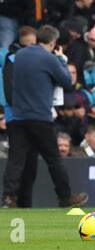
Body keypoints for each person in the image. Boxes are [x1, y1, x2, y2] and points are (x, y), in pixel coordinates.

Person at [2, 25, 88, 208]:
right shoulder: (49, 58)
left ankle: (8, 198)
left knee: (16, 160)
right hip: (40, 117)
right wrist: (62, 61)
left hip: (18, 117)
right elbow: (66, 81)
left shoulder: (20, 55)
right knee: (53, 159)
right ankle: (65, 196)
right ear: (53, 42)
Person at [3, 26, 39, 208]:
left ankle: (26, 202)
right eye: (29, 45)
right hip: (16, 118)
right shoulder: (12, 60)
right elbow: (10, 93)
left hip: (34, 117)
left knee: (31, 162)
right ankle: (9, 197)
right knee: (17, 159)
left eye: (34, 44)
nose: (32, 48)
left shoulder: (36, 62)